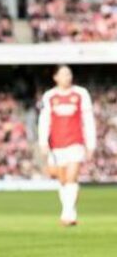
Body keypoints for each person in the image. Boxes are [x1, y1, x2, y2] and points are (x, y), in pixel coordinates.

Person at [38, 64, 96, 226]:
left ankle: (68, 215)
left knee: (72, 177)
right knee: (63, 180)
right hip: (56, 144)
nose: (67, 77)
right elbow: (44, 120)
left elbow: (88, 119)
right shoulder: (49, 96)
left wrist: (91, 144)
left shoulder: (81, 93)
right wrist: (43, 142)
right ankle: (69, 211)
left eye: (69, 74)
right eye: (63, 74)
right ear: (55, 77)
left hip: (75, 141)